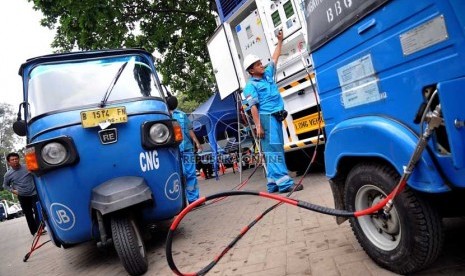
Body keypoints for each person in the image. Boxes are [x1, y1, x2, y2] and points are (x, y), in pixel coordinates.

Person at [242, 31, 303, 194]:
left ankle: (273, 184)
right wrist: (258, 126)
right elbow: (253, 106)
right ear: (251, 70)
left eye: (261, 62)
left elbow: (275, 58)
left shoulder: (266, 76)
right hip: (266, 119)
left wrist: (280, 41)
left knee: (273, 151)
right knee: (274, 150)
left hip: (275, 117)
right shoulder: (250, 86)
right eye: (258, 64)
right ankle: (284, 184)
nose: (262, 65)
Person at [167, 96, 203, 204]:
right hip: (173, 152)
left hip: (187, 148)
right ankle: (180, 202)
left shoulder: (182, 115)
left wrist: (197, 142)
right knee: (180, 175)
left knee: (191, 174)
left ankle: (194, 200)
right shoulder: (163, 116)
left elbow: (189, 130)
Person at [2, 153, 41, 235]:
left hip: (34, 193)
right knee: (28, 214)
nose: (15, 161)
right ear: (9, 162)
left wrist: (33, 172)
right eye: (12, 160)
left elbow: (37, 175)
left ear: (19, 159)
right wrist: (13, 191)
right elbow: (5, 185)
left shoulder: (27, 166)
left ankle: (40, 228)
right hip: (22, 196)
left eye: (16, 159)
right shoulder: (8, 174)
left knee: (38, 211)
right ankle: (34, 231)